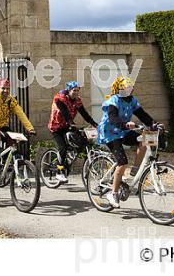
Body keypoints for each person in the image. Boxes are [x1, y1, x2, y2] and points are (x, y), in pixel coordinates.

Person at [97, 76, 162, 208]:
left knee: (144, 140)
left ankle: (135, 172)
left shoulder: (132, 100)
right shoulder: (113, 100)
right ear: (120, 89)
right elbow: (113, 117)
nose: (129, 90)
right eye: (126, 88)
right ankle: (113, 194)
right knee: (122, 163)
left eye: (130, 87)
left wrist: (154, 124)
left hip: (124, 131)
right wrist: (125, 124)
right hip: (110, 133)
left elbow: (142, 114)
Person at [0, 78, 36, 198]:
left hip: (2, 127)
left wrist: (30, 128)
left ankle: (6, 166)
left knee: (13, 145)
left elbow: (21, 113)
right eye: (3, 88)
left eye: (7, 89)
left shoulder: (10, 101)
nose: (5, 91)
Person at [48, 81, 98, 184]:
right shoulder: (59, 98)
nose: (76, 92)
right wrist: (72, 123)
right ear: (69, 90)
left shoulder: (77, 100)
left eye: (77, 90)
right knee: (62, 148)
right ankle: (59, 172)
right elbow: (65, 113)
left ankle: (68, 160)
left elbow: (84, 114)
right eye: (74, 90)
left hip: (67, 126)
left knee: (82, 141)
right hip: (56, 127)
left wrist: (95, 124)